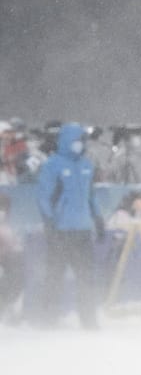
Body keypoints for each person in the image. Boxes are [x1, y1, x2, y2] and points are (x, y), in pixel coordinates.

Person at [36, 123, 104, 329]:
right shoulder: (52, 165)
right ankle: (48, 320)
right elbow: (43, 197)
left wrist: (98, 219)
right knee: (54, 276)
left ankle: (89, 320)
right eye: (78, 140)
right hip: (61, 230)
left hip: (82, 230)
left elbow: (91, 196)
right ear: (67, 141)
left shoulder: (86, 165)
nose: (81, 145)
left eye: (83, 141)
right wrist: (49, 222)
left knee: (86, 277)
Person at [0, 194, 24, 323]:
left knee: (17, 272)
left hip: (8, 262)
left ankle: (6, 307)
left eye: (3, 209)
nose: (1, 212)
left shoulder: (7, 227)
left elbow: (14, 247)